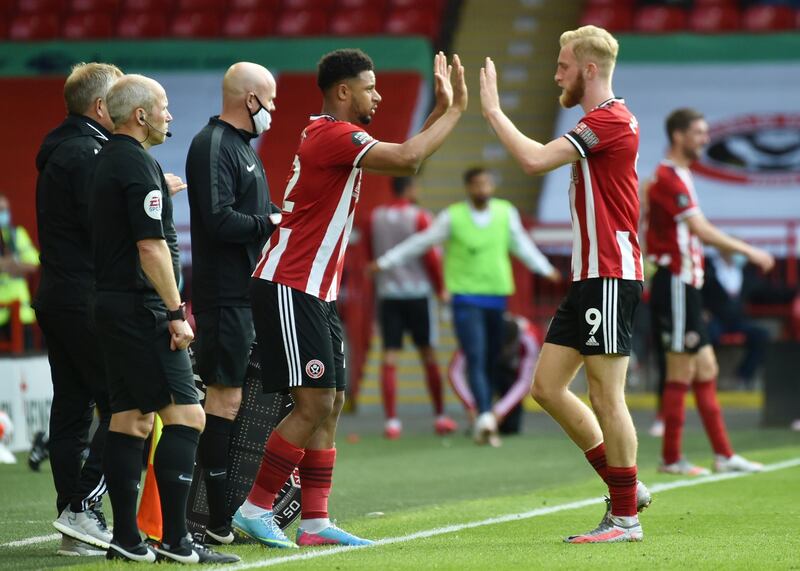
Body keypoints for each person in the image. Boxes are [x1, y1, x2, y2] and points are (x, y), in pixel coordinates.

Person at [232, 48, 467, 549]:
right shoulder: (333, 134)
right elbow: (408, 157)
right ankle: (255, 508)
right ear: (344, 92)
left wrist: (439, 113)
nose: (379, 95)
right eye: (370, 86)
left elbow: (406, 149)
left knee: (332, 401)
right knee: (314, 402)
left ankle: (315, 522)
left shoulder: (337, 137)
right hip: (290, 282)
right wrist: (455, 113)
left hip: (315, 288)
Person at [480, 24, 651, 542]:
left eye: (562, 66)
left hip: (610, 274)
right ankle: (628, 486)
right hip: (588, 278)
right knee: (547, 388)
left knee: (607, 395)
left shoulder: (610, 121)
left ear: (589, 69)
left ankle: (624, 518)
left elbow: (533, 160)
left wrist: (492, 111)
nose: (557, 75)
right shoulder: (601, 124)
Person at [91, 74, 238, 564]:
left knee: (131, 419)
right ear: (140, 115)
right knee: (188, 415)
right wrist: (176, 313)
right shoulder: (137, 164)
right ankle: (176, 541)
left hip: (112, 304)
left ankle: (128, 539)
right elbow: (150, 246)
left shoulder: (107, 161)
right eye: (164, 107)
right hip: (142, 308)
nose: (169, 116)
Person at [374, 167, 558, 447]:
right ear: (468, 188)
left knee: (491, 356)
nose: (481, 188)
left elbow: (522, 245)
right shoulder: (453, 217)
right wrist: (386, 262)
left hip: (496, 296)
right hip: (465, 298)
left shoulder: (505, 212)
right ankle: (484, 415)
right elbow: (420, 243)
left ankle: (488, 413)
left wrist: (544, 268)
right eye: (476, 184)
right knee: (475, 354)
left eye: (485, 183)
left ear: (491, 186)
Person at [645, 107, 773, 477]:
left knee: (706, 367)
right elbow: (699, 230)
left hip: (688, 285)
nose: (705, 139)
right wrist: (748, 250)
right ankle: (671, 458)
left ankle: (723, 454)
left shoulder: (680, 174)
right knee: (681, 370)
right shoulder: (668, 178)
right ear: (679, 135)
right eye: (699, 133)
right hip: (676, 282)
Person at [186, 62, 281, 544]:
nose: (274, 110)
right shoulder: (213, 146)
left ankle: (217, 515)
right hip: (224, 298)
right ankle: (213, 521)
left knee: (232, 401)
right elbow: (220, 221)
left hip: (245, 295)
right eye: (272, 100)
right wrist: (274, 221)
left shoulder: (244, 149)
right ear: (251, 100)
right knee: (221, 401)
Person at [32, 62, 121, 557]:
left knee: (70, 410)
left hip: (57, 293)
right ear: (102, 106)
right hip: (86, 296)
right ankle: (82, 507)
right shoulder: (91, 154)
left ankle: (76, 527)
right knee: (125, 404)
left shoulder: (61, 149)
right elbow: (102, 229)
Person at [366, 175, 456, 439]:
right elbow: (430, 255)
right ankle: (440, 417)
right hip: (418, 294)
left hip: (388, 294)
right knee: (428, 354)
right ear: (411, 188)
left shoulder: (376, 217)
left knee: (390, 356)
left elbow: (372, 255)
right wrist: (441, 288)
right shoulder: (421, 216)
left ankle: (392, 422)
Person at [448, 312, 540, 434]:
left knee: (511, 427)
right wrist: (470, 405)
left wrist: (500, 411)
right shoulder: (476, 334)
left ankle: (498, 421)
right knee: (479, 374)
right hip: (485, 369)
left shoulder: (529, 338)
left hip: (510, 373)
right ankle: (480, 415)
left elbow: (525, 381)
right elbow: (455, 372)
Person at [703, 252, 770, 390]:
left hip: (737, 320)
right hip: (715, 319)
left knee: (762, 335)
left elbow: (765, 292)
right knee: (707, 336)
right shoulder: (708, 269)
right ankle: (706, 376)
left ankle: (742, 376)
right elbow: (697, 291)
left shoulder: (744, 273)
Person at [0, 194, 39, 349]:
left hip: (21, 314)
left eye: (5, 210)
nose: (3, 213)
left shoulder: (17, 235)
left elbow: (33, 264)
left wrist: (8, 264)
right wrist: (14, 264)